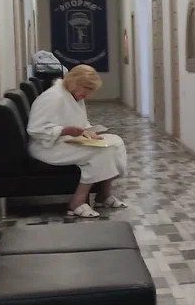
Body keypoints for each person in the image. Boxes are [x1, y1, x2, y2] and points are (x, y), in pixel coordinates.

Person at [27, 64, 128, 219]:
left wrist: (89, 132)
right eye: (85, 88)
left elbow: (81, 122)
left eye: (91, 90)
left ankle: (103, 195)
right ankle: (77, 202)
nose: (87, 93)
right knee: (100, 152)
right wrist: (64, 131)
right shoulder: (52, 97)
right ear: (74, 82)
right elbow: (35, 129)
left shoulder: (74, 95)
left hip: (65, 141)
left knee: (116, 143)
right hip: (46, 147)